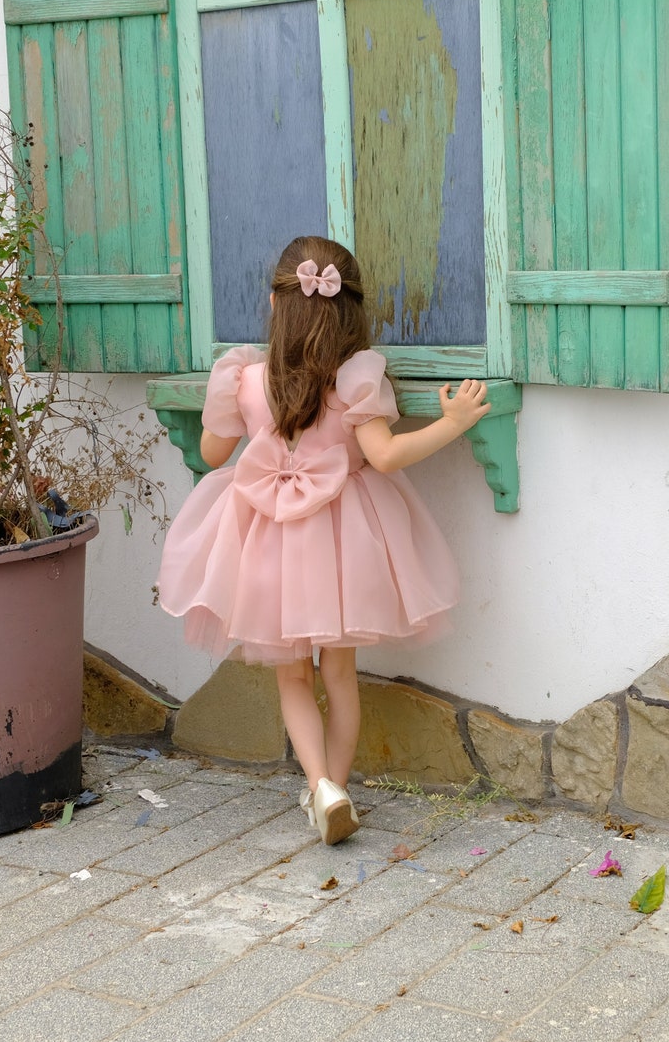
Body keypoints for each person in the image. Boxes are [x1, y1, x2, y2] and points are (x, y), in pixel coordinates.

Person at [158, 236, 490, 844]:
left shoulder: (245, 378)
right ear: (350, 312)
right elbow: (386, 457)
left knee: (292, 679)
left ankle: (320, 788)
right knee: (340, 676)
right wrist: (453, 422)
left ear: (274, 304)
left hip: (268, 544)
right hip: (345, 545)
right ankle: (334, 791)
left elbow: (211, 455)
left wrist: (221, 409)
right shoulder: (356, 378)